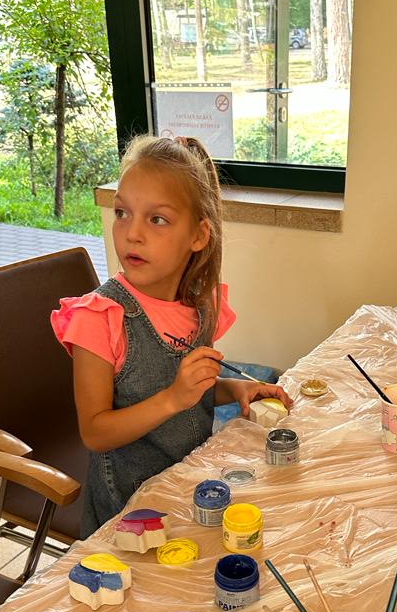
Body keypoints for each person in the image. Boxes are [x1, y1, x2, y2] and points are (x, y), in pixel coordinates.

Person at [51, 134, 292, 537]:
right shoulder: (99, 318)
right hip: (128, 516)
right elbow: (95, 432)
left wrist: (236, 388)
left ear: (198, 236)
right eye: (122, 213)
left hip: (187, 489)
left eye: (157, 219)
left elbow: (192, 391)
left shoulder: (201, 306)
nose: (132, 233)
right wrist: (172, 398)